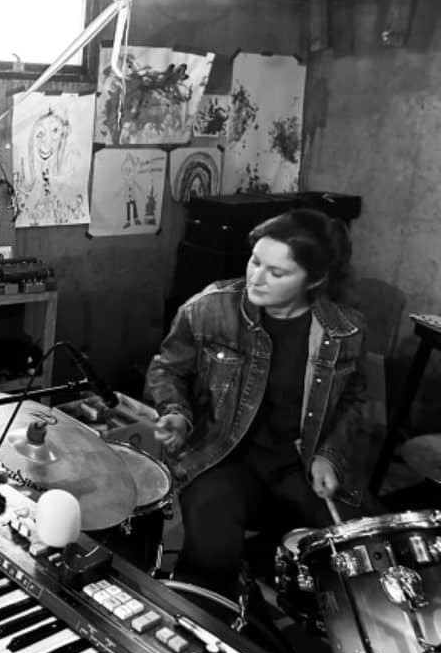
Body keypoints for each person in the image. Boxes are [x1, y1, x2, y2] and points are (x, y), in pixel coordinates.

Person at [145, 208, 382, 600]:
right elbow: (166, 369)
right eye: (255, 261)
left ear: (316, 279)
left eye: (277, 272)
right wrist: (176, 413)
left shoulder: (344, 329)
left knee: (369, 551)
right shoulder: (211, 307)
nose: (257, 277)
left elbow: (354, 398)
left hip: (300, 466)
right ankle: (219, 626)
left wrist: (330, 455)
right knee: (211, 549)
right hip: (222, 458)